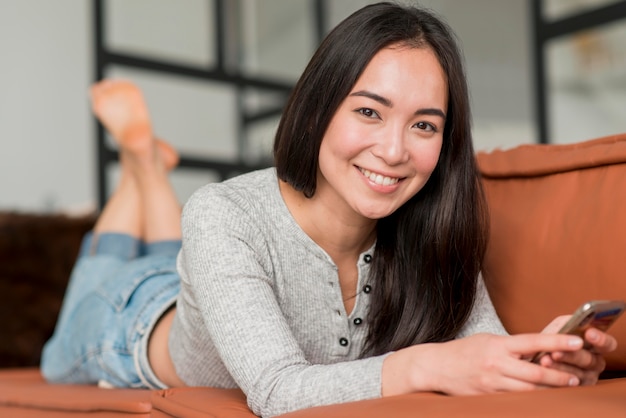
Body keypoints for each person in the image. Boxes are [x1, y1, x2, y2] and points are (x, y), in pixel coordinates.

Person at [42, 3, 617, 417]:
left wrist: (541, 363)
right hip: (127, 321)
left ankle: (147, 170)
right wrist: (428, 367)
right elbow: (277, 393)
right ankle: (142, 166)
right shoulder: (223, 213)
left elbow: (478, 351)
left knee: (176, 254)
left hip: (201, 277)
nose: (394, 152)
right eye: (369, 112)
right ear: (318, 108)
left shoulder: (438, 224)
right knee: (110, 270)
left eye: (424, 125)